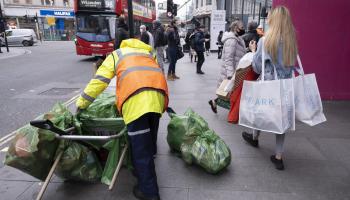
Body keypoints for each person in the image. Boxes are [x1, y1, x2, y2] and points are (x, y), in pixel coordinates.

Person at [76, 38, 169, 200]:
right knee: (149, 142)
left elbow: (100, 81)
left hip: (136, 102)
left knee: (141, 150)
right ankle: (142, 171)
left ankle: (149, 192)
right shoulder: (148, 53)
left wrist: (82, 103)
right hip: (158, 98)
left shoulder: (117, 54)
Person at [241, 6, 298, 171]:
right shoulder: (291, 41)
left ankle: (254, 137)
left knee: (260, 109)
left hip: (269, 85)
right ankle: (278, 156)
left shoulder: (265, 41)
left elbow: (257, 67)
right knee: (280, 120)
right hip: (286, 87)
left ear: (273, 20)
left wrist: (253, 52)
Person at [208, 20, 247, 113]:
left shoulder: (237, 38)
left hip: (235, 69)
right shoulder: (232, 40)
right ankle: (234, 111)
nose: (243, 29)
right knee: (227, 91)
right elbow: (228, 58)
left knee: (227, 91)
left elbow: (238, 52)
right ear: (235, 28)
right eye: (241, 27)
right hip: (231, 71)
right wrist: (230, 74)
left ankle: (215, 102)